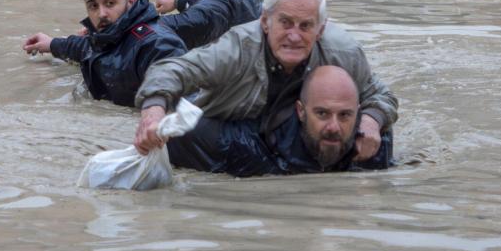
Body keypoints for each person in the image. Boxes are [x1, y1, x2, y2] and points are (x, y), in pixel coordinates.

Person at [133, 0, 397, 163]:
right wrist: (152, 113)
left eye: (305, 26)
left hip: (298, 129)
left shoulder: (344, 53)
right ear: (265, 22)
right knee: (181, 135)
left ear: (321, 29)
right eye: (285, 23)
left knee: (381, 138)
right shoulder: (237, 48)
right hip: (236, 127)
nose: (294, 36)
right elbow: (171, 70)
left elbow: (380, 96)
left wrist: (372, 122)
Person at [166, 66, 392, 176]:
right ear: (301, 111)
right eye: (322, 114)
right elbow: (177, 129)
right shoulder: (247, 146)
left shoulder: (372, 146)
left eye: (345, 115)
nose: (334, 127)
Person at [23, 0, 186, 108]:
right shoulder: (106, 36)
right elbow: (84, 47)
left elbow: (175, 82)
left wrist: (155, 110)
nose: (101, 14)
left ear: (131, 1)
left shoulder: (156, 43)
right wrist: (51, 44)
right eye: (93, 6)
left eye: (110, 3)